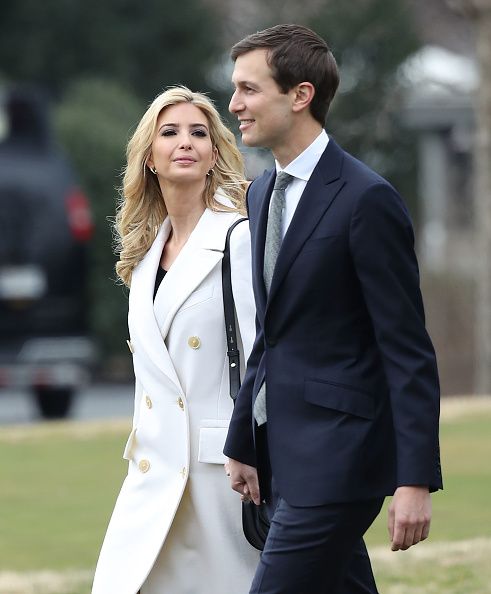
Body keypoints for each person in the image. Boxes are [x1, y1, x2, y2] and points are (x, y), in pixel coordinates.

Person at [224, 24, 443, 594]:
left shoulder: (366, 199)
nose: (234, 104)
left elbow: (407, 349)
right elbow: (273, 333)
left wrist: (413, 480)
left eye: (249, 89)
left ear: (299, 95)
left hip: (340, 462)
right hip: (280, 458)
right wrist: (243, 439)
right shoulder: (260, 191)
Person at [91, 86, 259, 594]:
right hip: (152, 476)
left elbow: (262, 358)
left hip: (223, 480)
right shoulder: (143, 260)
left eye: (199, 133)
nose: (185, 142)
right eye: (170, 132)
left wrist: (255, 450)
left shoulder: (241, 238)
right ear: (149, 157)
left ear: (213, 155)